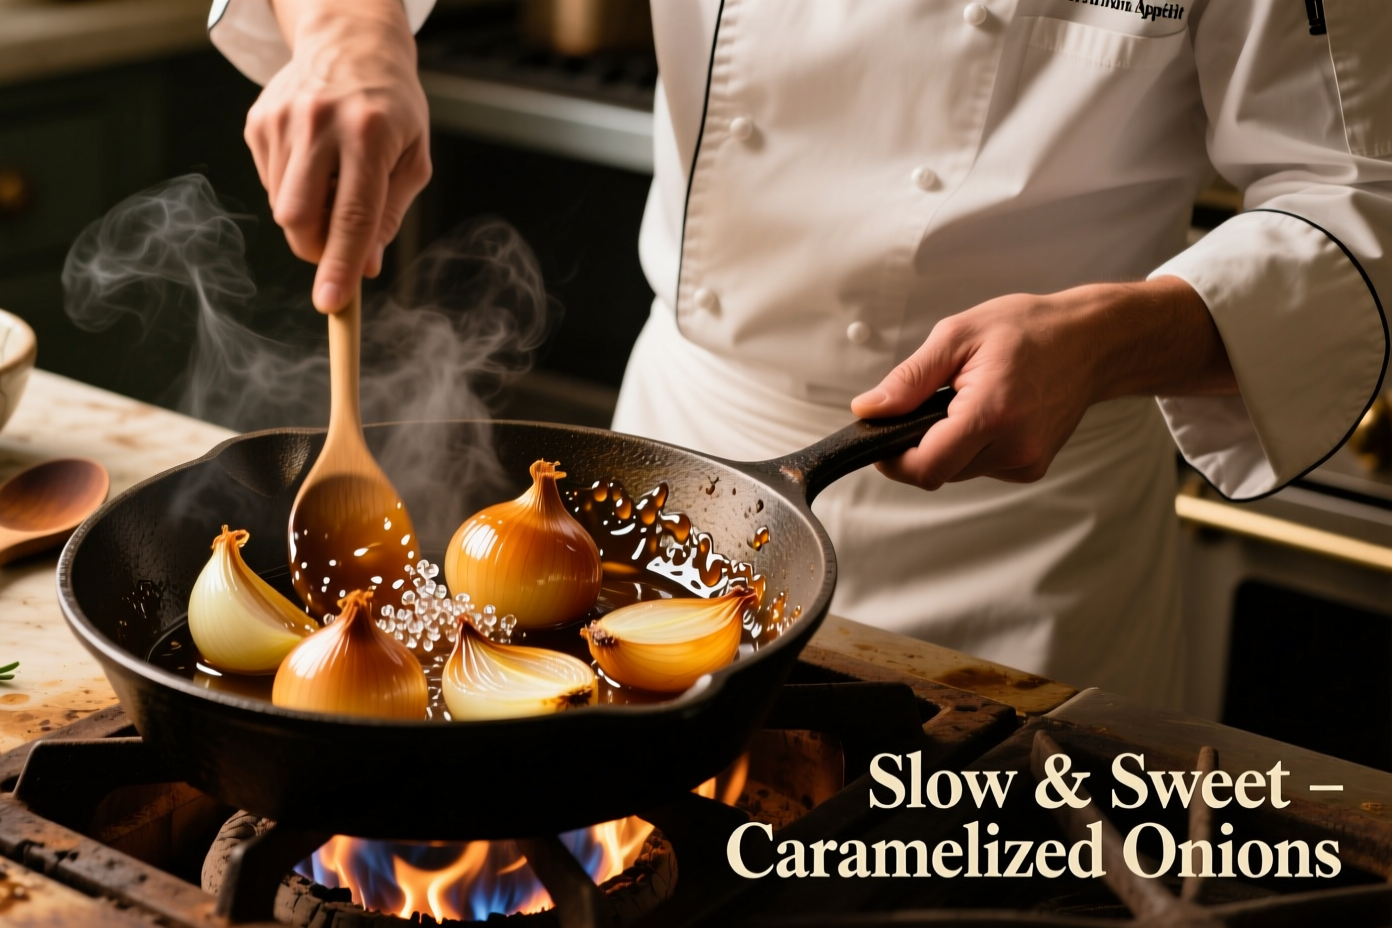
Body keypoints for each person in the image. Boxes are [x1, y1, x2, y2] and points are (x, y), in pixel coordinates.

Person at [208, 0, 1390, 708]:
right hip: (676, 464)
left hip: (1022, 533)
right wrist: (350, 39)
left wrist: (1103, 337)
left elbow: (1358, 205)